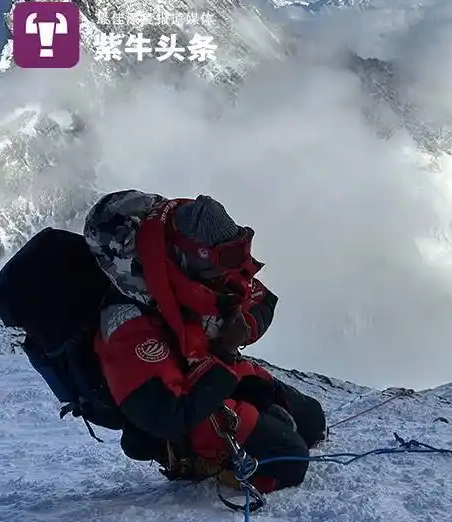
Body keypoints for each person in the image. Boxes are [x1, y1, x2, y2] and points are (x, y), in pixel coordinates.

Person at [83, 189, 326, 494]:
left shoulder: (194, 277)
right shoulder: (127, 326)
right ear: (189, 256)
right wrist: (225, 350)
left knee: (311, 421)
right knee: (289, 460)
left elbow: (259, 300)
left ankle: (253, 425)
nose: (231, 269)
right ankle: (193, 461)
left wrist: (237, 327)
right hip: (186, 408)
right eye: (225, 259)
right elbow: (170, 414)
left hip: (209, 373)